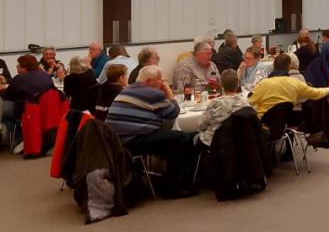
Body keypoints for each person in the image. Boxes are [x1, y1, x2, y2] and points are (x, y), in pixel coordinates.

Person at [105, 65, 197, 198]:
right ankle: (174, 187)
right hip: (133, 141)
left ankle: (166, 177)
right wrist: (168, 92)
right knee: (181, 138)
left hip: (116, 141)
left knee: (171, 138)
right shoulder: (153, 94)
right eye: (159, 79)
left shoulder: (126, 90)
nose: (163, 81)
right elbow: (173, 113)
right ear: (148, 81)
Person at [1, 54, 55, 149]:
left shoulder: (18, 79)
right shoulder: (46, 76)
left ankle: (20, 137)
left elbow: (6, 96)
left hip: (26, 111)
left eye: (18, 65)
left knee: (5, 114)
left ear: (24, 67)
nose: (17, 67)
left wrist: (4, 85)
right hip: (46, 110)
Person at [197, 69, 254, 147]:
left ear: (221, 84)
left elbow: (201, 125)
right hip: (238, 143)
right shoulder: (246, 104)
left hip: (213, 143)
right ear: (238, 84)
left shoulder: (216, 103)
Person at [247, 71, 329, 118]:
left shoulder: (264, 84)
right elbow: (316, 93)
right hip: (283, 124)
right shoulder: (295, 82)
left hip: (261, 126)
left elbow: (248, 102)